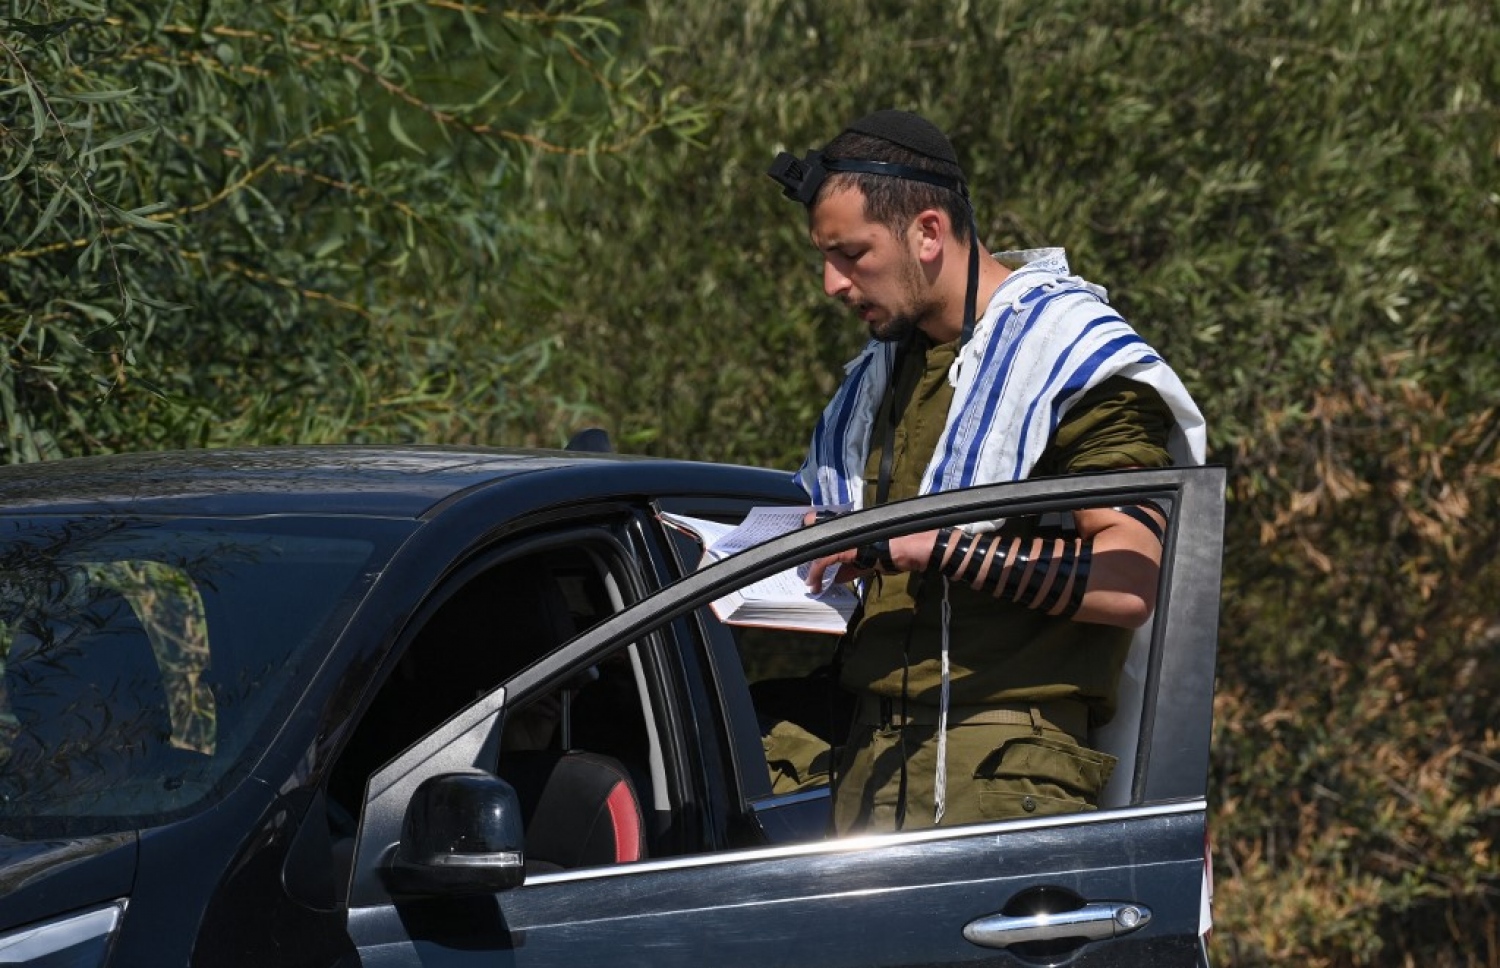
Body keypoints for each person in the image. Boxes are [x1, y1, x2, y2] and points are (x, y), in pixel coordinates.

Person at [767, 109, 1207, 834]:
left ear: (927, 232)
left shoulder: (1071, 356)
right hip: (870, 761)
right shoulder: (882, 377)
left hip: (1002, 773)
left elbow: (1130, 580)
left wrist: (932, 546)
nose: (832, 283)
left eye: (851, 254)